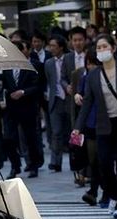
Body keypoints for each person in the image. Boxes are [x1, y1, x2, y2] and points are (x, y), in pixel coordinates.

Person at [73, 34, 117, 219]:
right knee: (103, 164)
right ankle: (114, 194)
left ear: (113, 48)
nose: (101, 50)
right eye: (98, 48)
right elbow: (88, 102)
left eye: (105, 46)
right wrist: (77, 127)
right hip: (103, 125)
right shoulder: (93, 75)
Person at [0, 41, 42, 178]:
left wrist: (23, 92)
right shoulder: (7, 68)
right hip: (11, 108)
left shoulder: (32, 66)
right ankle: (15, 165)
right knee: (8, 138)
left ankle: (34, 165)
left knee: (31, 138)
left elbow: (37, 86)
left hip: (27, 107)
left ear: (25, 50)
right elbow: (4, 86)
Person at [74, 49, 108, 207]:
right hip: (90, 124)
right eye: (88, 63)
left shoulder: (108, 78)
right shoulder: (85, 78)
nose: (90, 66)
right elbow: (81, 96)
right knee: (94, 159)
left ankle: (100, 192)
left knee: (104, 161)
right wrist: (77, 95)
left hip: (107, 124)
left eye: (93, 63)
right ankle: (95, 191)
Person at [45, 34, 70, 172]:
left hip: (69, 99)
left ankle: (76, 160)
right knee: (56, 132)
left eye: (54, 46)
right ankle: (55, 162)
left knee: (72, 131)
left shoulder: (69, 58)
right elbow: (49, 81)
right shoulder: (49, 63)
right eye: (50, 46)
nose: (51, 48)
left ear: (61, 47)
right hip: (55, 99)